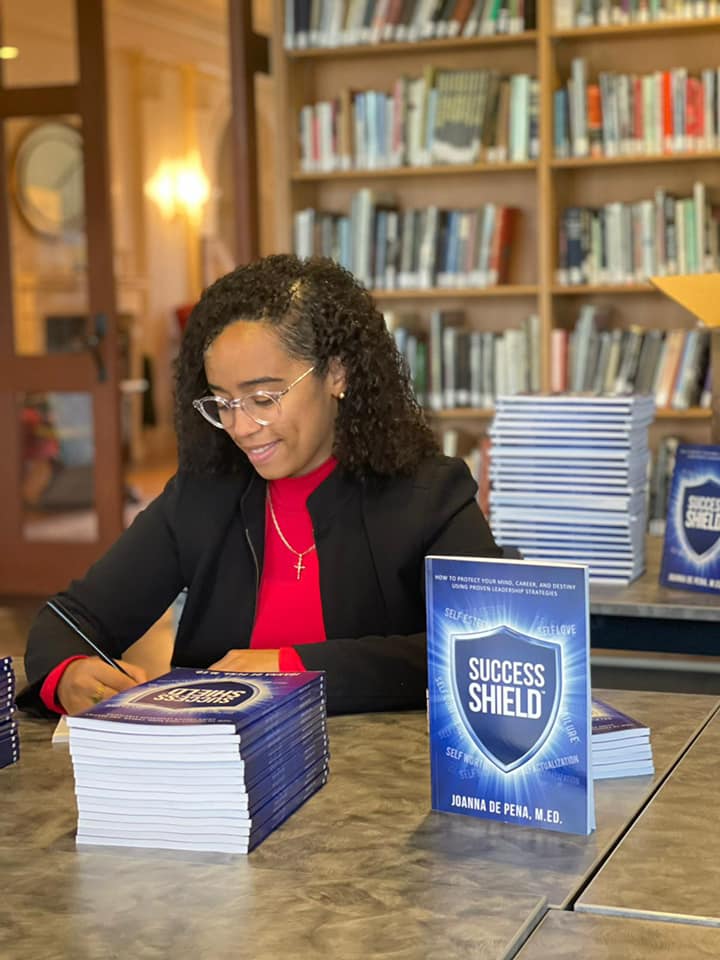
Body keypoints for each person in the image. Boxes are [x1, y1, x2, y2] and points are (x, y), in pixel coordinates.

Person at [23, 254, 500, 716]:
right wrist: (68, 674)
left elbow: (487, 651)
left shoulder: (429, 494)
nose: (241, 427)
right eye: (223, 403)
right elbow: (67, 621)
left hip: (375, 782)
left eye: (263, 398)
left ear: (336, 373)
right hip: (218, 781)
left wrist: (296, 666)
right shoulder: (202, 497)